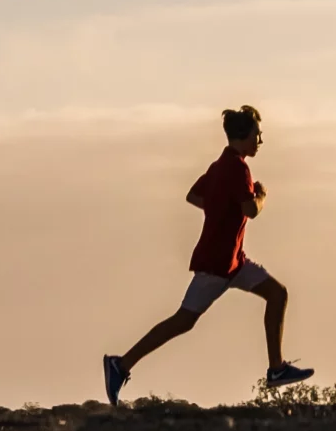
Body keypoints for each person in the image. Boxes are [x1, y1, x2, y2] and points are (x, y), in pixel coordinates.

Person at [103, 106, 314, 405]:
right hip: (217, 264)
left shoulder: (219, 166)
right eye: (258, 135)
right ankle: (120, 365)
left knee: (277, 294)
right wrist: (262, 194)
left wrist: (220, 208)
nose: (260, 141)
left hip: (234, 261)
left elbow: (194, 196)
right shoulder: (237, 168)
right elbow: (251, 210)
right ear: (244, 136)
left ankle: (276, 369)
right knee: (183, 321)